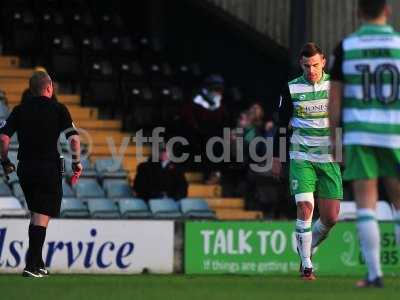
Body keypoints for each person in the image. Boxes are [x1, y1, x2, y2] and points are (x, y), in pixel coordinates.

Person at [329, 0, 400, 288]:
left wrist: (333, 139)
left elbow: (335, 100)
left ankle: (374, 274)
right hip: (395, 132)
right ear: (388, 10)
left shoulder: (345, 47)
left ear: (358, 12)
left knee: (366, 205)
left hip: (360, 135)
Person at [0, 71, 83, 278]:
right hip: (48, 167)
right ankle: (31, 266)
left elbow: (3, 139)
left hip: (25, 168)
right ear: (49, 88)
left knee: (37, 213)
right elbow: (74, 140)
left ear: (31, 90)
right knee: (42, 214)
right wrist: (77, 162)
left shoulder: (19, 110)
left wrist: (5, 161)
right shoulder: (58, 109)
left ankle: (37, 263)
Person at [272, 43, 342, 280]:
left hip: (329, 157)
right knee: (305, 208)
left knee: (331, 217)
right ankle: (307, 267)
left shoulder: (336, 86)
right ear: (300, 65)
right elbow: (281, 126)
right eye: (305, 66)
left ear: (323, 61)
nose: (311, 70)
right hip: (301, 156)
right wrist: (277, 158)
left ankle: (307, 246)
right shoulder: (291, 88)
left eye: (314, 65)